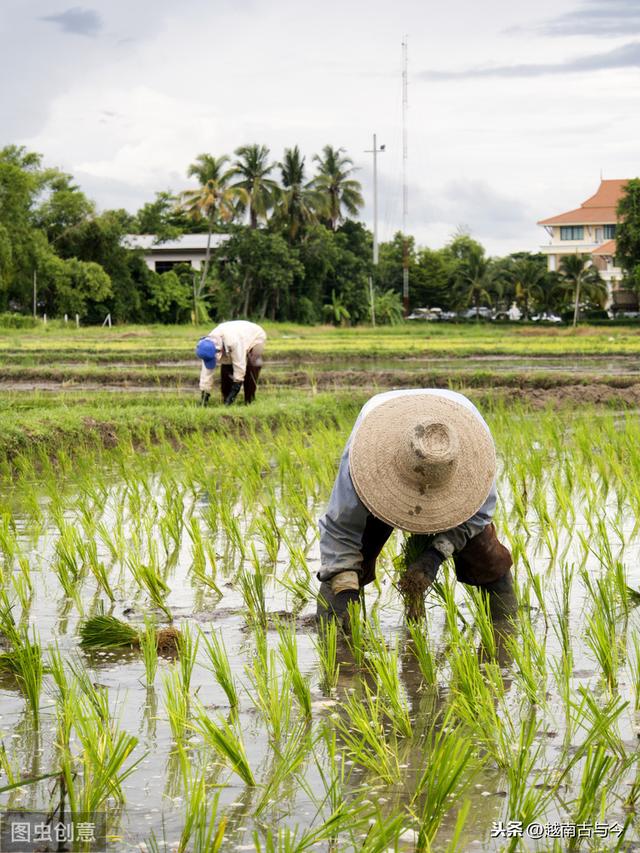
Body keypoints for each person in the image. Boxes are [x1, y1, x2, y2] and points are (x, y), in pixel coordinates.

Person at [317, 389, 514, 626]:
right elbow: (341, 530)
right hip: (381, 469)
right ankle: (332, 631)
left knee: (487, 556)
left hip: (457, 432)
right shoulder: (362, 463)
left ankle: (505, 625)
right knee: (345, 569)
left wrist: (436, 554)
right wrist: (344, 590)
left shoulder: (474, 451)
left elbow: (479, 515)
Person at [196, 320, 267, 406]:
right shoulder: (206, 346)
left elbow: (240, 366)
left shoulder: (233, 342)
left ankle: (249, 400)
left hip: (254, 336)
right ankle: (226, 400)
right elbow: (206, 373)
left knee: (251, 365)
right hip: (230, 339)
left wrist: (235, 389)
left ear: (218, 350)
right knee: (226, 367)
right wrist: (204, 395)